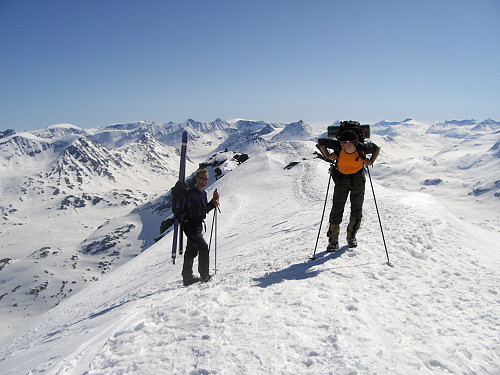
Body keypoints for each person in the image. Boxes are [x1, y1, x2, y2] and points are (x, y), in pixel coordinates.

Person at [317, 129, 381, 251]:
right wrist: (328, 156)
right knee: (337, 208)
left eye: (344, 142)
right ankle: (333, 240)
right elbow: (321, 142)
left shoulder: (363, 148)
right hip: (341, 179)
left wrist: (371, 161)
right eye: (340, 141)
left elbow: (377, 148)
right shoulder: (338, 146)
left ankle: (351, 236)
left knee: (356, 208)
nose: (341, 144)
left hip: (357, 179)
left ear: (352, 142)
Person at [182, 168, 220, 286]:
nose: (204, 181)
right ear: (196, 179)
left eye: (206, 178)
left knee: (191, 250)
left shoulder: (203, 193)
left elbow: (202, 209)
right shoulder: (192, 194)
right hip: (191, 225)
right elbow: (199, 212)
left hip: (195, 224)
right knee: (203, 248)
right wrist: (212, 204)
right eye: (201, 178)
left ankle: (187, 277)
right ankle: (204, 276)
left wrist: (212, 202)